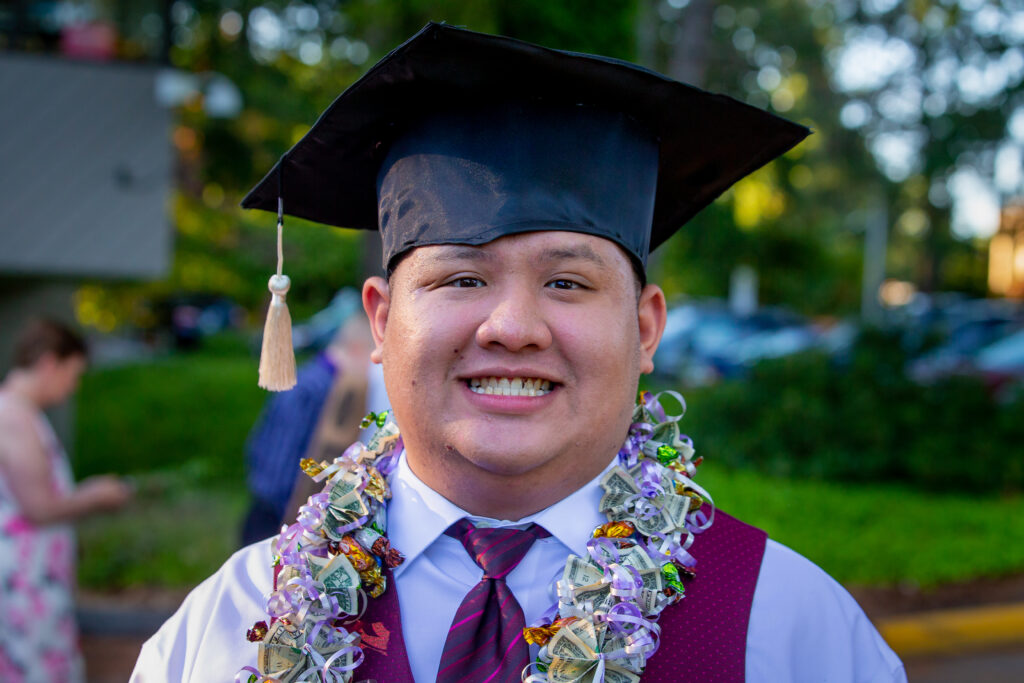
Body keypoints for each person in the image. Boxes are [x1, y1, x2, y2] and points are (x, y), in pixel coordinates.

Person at [132, 23, 905, 682]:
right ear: (380, 321)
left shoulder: (794, 633)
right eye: (462, 276)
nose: (511, 325)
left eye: (567, 282)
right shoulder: (227, 629)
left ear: (644, 329)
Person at [0, 318, 133, 683]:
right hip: (25, 583)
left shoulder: (19, 413)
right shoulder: (13, 416)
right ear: (48, 363)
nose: (72, 387)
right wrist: (94, 496)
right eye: (72, 374)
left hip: (33, 576)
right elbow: (39, 508)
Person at [242, 313, 389, 545]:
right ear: (357, 348)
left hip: (269, 500)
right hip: (275, 510)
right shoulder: (318, 388)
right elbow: (284, 457)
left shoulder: (310, 377)